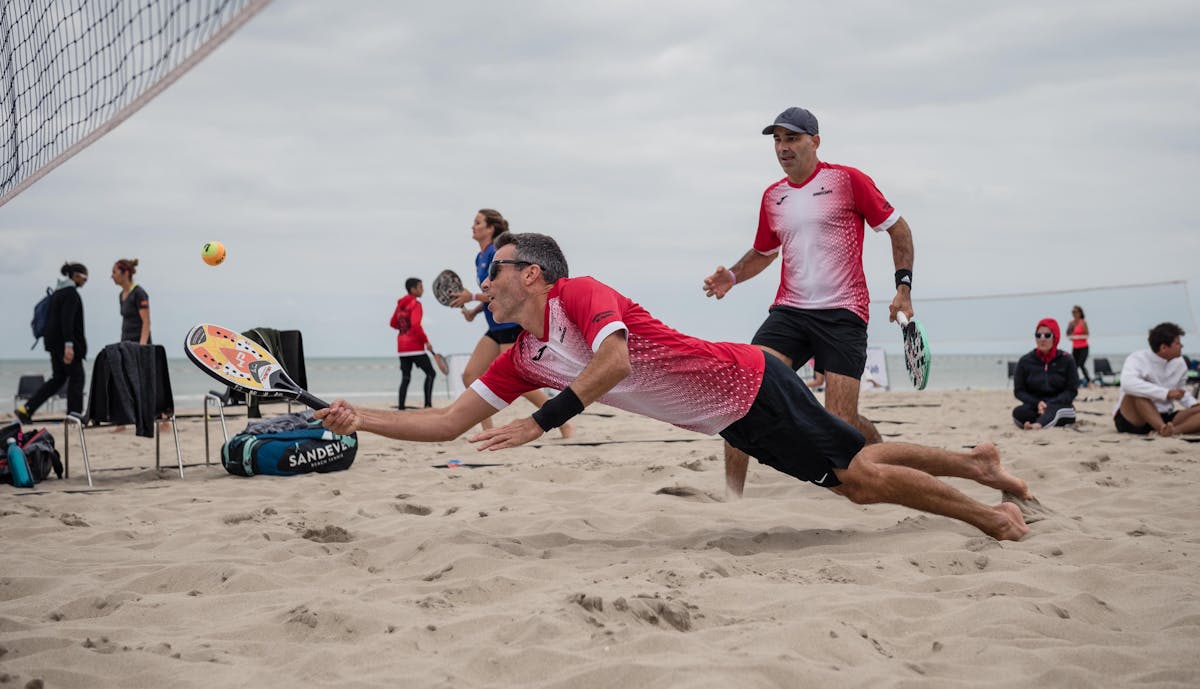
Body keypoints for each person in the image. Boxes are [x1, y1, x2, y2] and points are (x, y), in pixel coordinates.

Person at [317, 232, 1032, 542]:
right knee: (854, 462)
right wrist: (363, 418)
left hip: (747, 384)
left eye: (494, 270)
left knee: (861, 477)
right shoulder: (522, 357)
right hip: (732, 416)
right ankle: (977, 464)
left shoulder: (582, 295)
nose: (483, 284)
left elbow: (616, 364)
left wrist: (541, 424)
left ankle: (990, 517)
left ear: (531, 274)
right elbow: (447, 423)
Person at [702, 106, 914, 499]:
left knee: (838, 428)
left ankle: (878, 452)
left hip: (843, 314)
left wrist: (903, 288)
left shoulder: (847, 181)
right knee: (741, 394)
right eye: (778, 140)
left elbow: (897, 228)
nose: (784, 147)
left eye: (793, 138)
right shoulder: (773, 196)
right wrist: (731, 276)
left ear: (815, 141)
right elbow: (764, 252)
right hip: (790, 314)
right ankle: (732, 500)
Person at [448, 208, 573, 437]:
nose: (472, 226)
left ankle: (563, 422)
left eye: (477, 222)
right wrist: (475, 310)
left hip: (509, 327)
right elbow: (492, 293)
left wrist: (473, 297)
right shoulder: (479, 257)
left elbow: (508, 292)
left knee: (522, 382)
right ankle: (487, 431)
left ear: (491, 228)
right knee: (470, 376)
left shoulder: (497, 254)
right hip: (494, 328)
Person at [16, 262, 89, 423]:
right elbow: (67, 321)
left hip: (52, 344)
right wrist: (69, 346)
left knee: (58, 378)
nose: (85, 281)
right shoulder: (70, 294)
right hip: (66, 345)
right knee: (77, 378)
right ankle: (74, 417)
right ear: (76, 276)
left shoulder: (57, 293)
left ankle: (26, 409)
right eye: (85, 278)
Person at [1113, 322, 1200, 437]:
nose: (1181, 346)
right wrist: (1166, 393)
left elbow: (1180, 391)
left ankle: (1173, 431)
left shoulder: (1180, 363)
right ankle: (1161, 428)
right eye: (1178, 343)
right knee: (1136, 393)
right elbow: (1128, 384)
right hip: (1135, 417)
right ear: (1163, 347)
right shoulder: (1138, 358)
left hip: (1165, 416)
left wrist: (1193, 404)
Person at [1012, 318, 1078, 429]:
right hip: (1036, 406)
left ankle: (1038, 425)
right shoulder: (1025, 361)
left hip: (1060, 405)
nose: (1042, 339)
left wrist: (1050, 403)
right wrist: (1037, 403)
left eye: (1047, 335)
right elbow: (1019, 391)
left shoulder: (1067, 360)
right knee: (1018, 412)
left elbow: (1071, 391)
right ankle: (1039, 421)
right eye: (1038, 335)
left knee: (1055, 411)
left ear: (1055, 337)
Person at [391, 277, 436, 409]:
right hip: (415, 346)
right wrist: (426, 341)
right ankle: (428, 405)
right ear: (413, 289)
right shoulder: (416, 304)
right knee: (431, 373)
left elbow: (393, 323)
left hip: (402, 347)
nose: (423, 290)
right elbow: (416, 325)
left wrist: (403, 328)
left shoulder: (400, 305)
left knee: (406, 377)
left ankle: (401, 407)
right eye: (420, 287)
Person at [111, 258, 152, 344]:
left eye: (114, 272)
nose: (112, 276)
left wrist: (142, 346)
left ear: (126, 273)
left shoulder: (138, 293)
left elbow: (146, 322)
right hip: (126, 344)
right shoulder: (121, 295)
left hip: (139, 345)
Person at [1066, 305, 1090, 386]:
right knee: (1074, 365)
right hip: (1075, 347)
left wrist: (1078, 336)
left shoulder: (1083, 322)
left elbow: (1087, 334)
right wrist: (1072, 335)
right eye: (1073, 312)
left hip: (1084, 347)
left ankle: (1088, 381)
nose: (1074, 313)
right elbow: (1068, 335)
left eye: (1076, 312)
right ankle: (1075, 382)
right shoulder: (1071, 323)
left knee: (1081, 364)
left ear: (1080, 313)